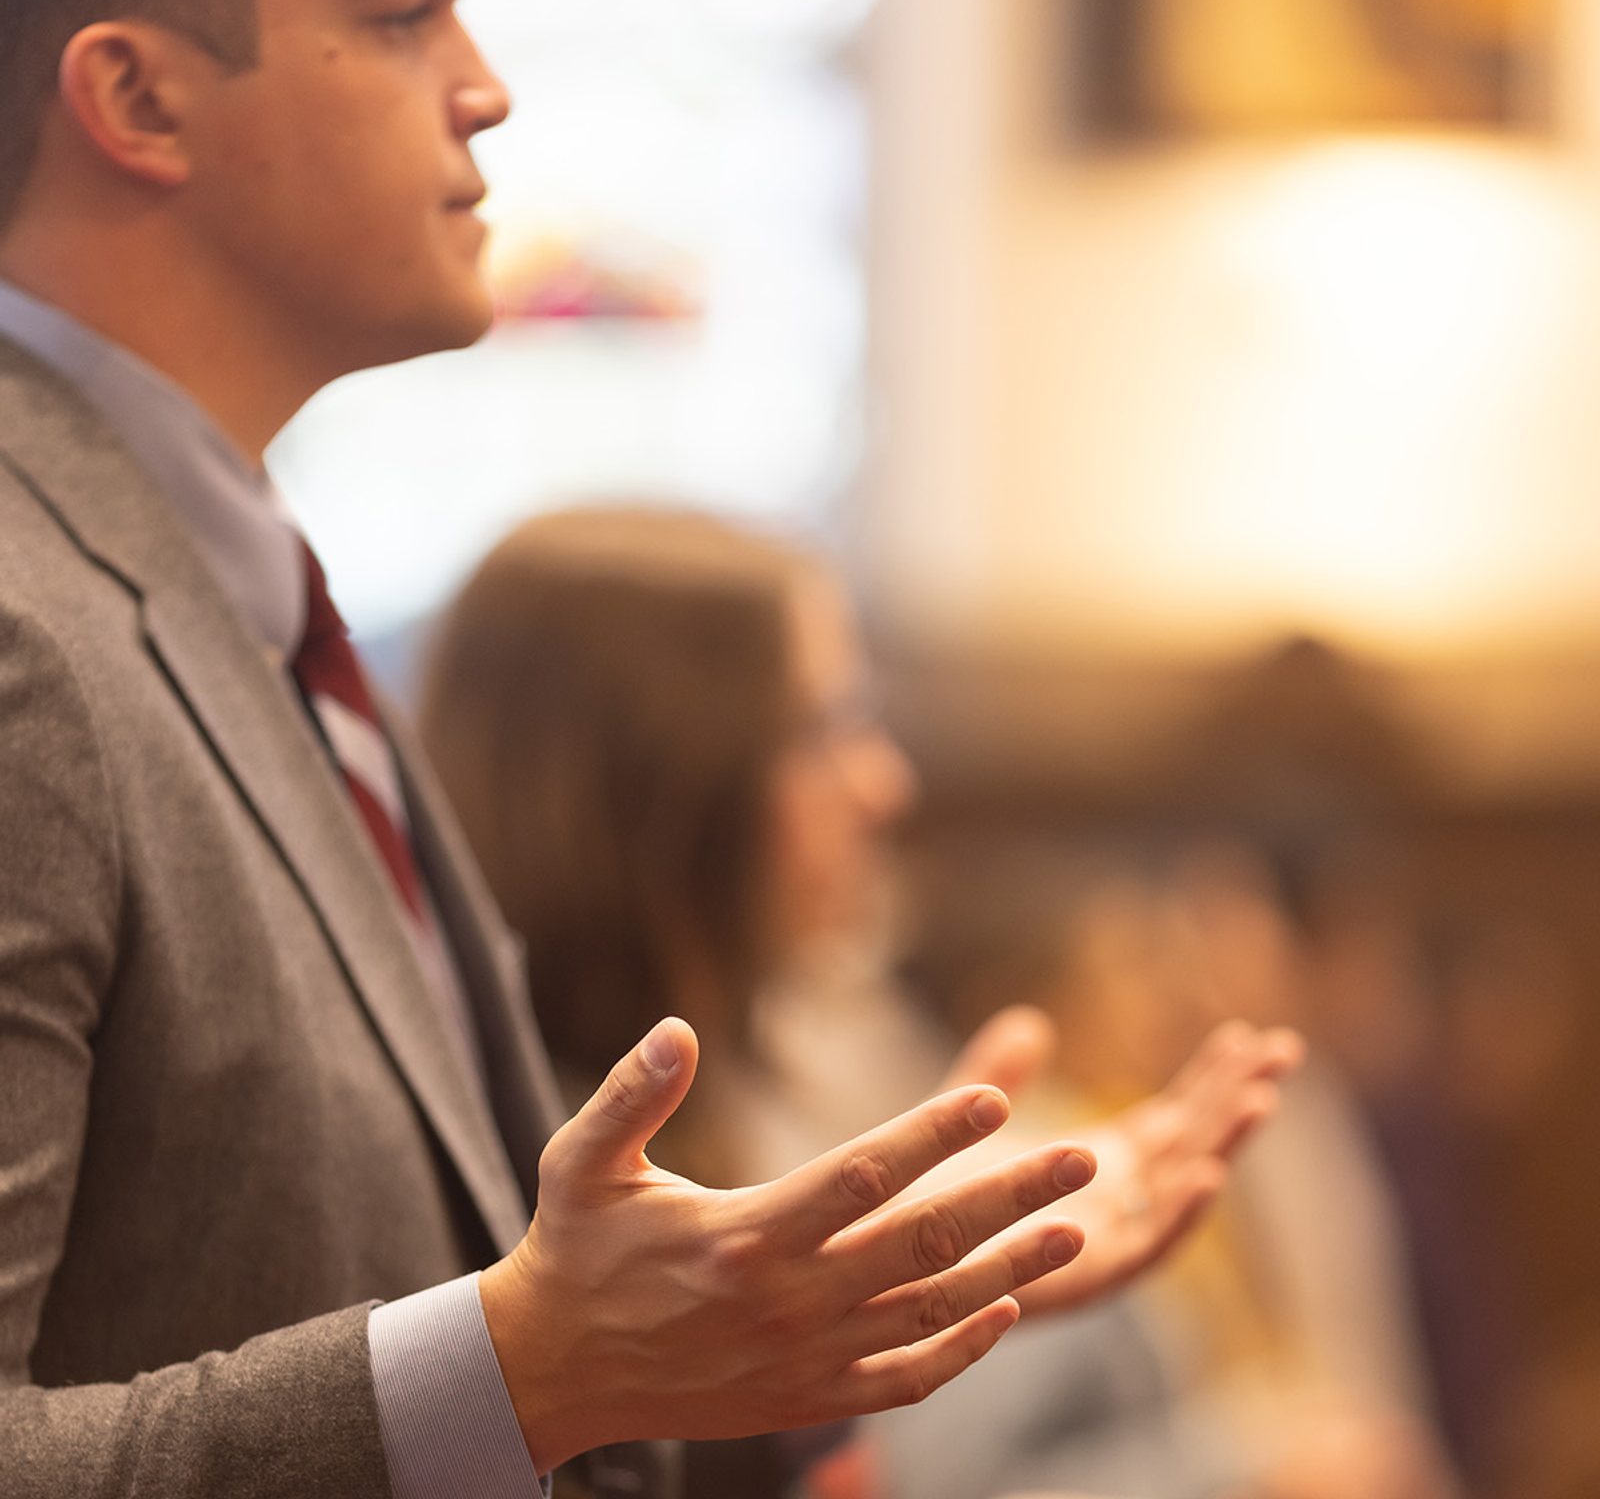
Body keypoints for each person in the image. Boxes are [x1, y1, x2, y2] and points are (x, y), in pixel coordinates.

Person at [0, 0, 1146, 1496]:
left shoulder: (232, 586)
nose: (486, 88)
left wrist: (835, 1310)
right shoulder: (24, 627)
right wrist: (516, 1371)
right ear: (136, 102)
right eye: (405, 16)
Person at [417, 507, 1307, 1495]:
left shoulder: (764, 1068)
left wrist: (924, 1250)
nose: (884, 785)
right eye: (822, 731)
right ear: (666, 784)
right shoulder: (526, 1173)